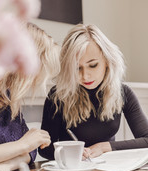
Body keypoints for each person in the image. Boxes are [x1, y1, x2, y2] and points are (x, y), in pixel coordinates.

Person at [39, 23, 148, 160]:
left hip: (110, 168)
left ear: (107, 61)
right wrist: (71, 152)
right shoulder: (58, 96)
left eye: (93, 65)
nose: (85, 76)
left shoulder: (122, 92)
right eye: (77, 68)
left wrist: (104, 147)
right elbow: (44, 149)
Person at [0, 22, 60, 171]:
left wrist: (6, 165)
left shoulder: (7, 98)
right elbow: (26, 145)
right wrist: (22, 144)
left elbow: (31, 152)